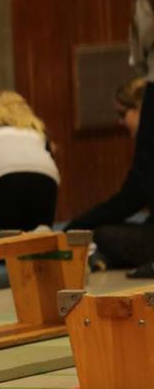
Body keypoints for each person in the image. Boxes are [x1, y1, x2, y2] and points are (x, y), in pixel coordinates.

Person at [68, 76, 154, 276]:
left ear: (141, 109)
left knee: (104, 234)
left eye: (123, 114)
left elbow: (127, 200)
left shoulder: (148, 146)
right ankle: (100, 257)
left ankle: (98, 256)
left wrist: (74, 228)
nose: (120, 122)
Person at [0, 91, 59, 240]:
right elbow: (48, 166)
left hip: (4, 182)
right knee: (41, 241)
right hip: (46, 181)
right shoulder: (38, 130)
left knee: (4, 244)